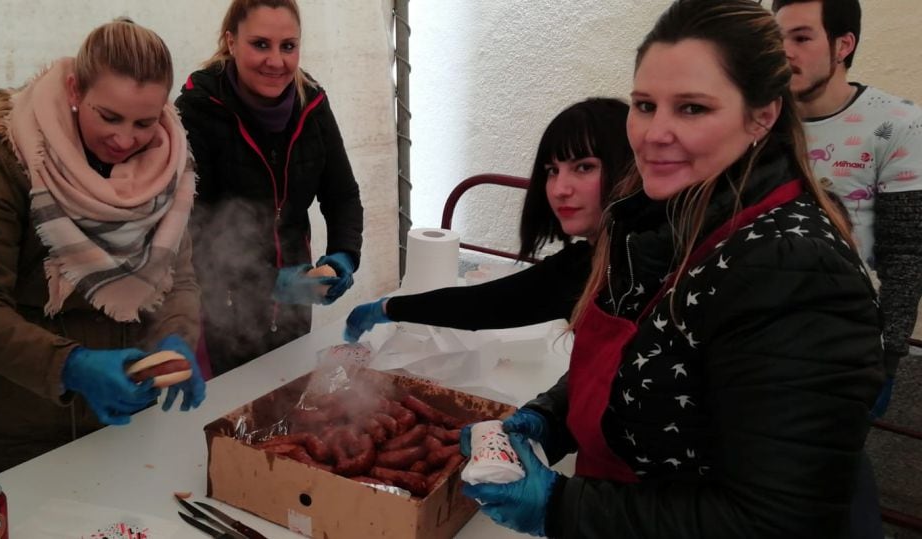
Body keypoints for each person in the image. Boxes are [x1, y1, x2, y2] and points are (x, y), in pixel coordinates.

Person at [460, 1, 885, 537]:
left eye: (691, 108)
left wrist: (560, 507)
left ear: (763, 115)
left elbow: (776, 522)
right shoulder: (672, 215)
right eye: (644, 105)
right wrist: (551, 416)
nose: (653, 133)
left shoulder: (795, 269)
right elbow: (648, 362)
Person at [0, 19, 206, 476]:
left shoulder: (168, 167)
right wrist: (72, 365)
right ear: (74, 89)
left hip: (126, 414)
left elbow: (178, 277)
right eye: (109, 116)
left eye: (144, 122)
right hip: (26, 426)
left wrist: (176, 336)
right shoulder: (4, 161)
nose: (125, 140)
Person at [176, 0, 364, 377]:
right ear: (231, 41)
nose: (275, 61)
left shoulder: (313, 103)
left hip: (295, 305)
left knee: (286, 396)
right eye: (260, 44)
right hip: (222, 309)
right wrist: (270, 284)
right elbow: (194, 231)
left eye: (288, 46)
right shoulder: (198, 110)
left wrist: (343, 255)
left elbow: (342, 195)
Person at [343, 98, 632, 342]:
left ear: (629, 168)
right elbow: (485, 304)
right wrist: (389, 308)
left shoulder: (640, 267)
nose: (559, 189)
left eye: (584, 167)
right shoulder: (582, 264)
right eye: (552, 170)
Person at [772, 0, 922, 419]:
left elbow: (905, 252)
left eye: (801, 37)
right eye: (777, 38)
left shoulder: (898, 123)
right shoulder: (757, 120)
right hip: (755, 333)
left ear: (843, 45)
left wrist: (888, 357)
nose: (785, 51)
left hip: (842, 346)